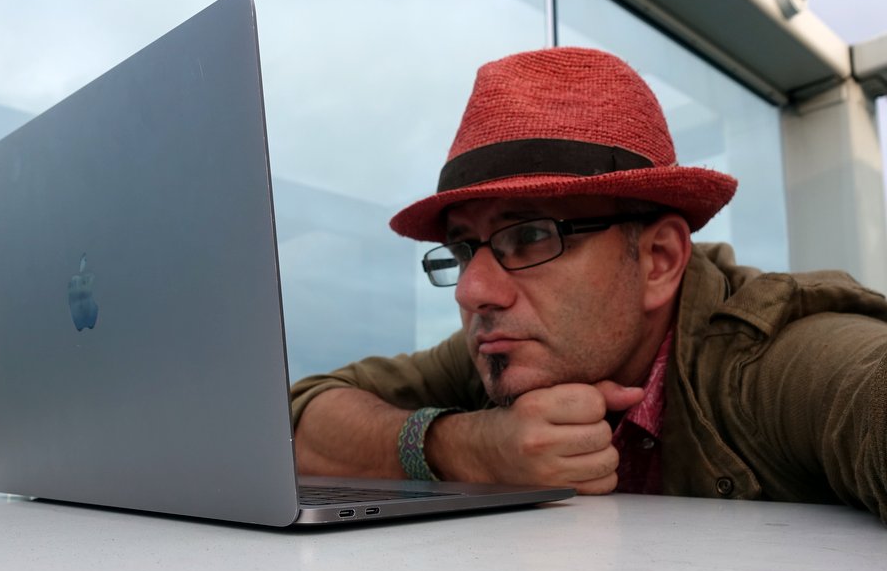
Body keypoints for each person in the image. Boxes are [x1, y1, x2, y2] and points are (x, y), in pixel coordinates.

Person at [289, 47, 887, 523]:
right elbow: (297, 418)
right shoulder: (503, 348)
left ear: (658, 261)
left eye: (529, 236)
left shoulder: (765, 366)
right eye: (463, 249)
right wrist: (466, 447)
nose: (471, 291)